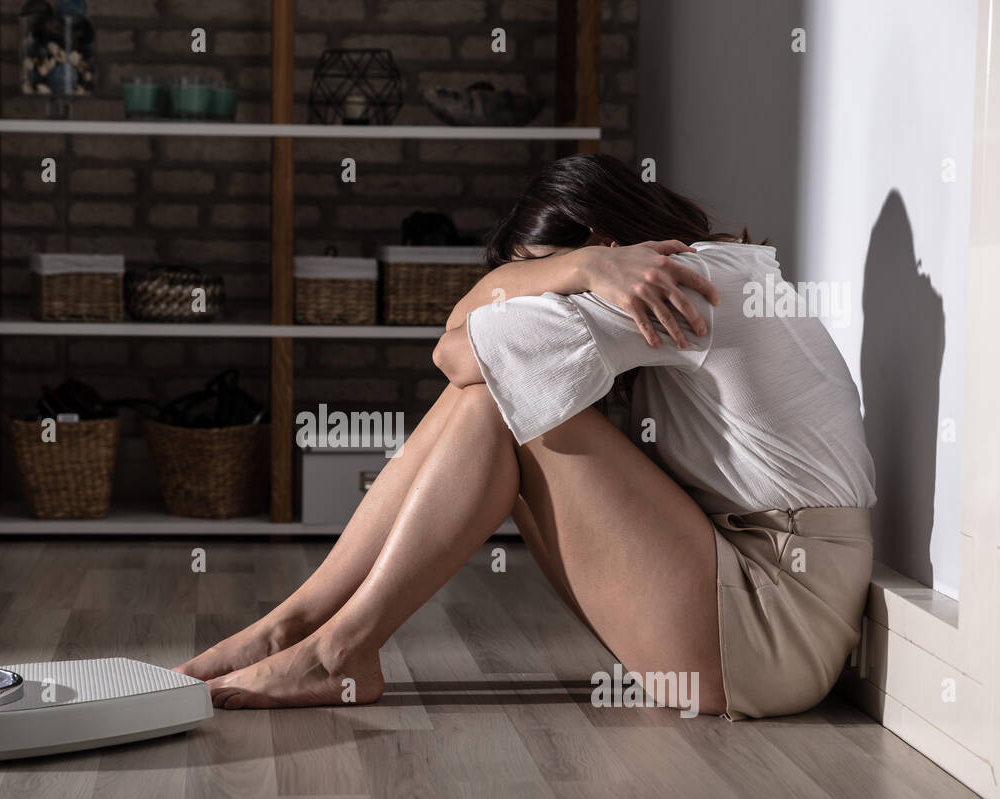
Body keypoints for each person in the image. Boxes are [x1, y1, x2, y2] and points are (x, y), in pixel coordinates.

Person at [177, 154, 875, 721]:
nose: (546, 295)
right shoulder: (703, 272)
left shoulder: (679, 285)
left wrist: (575, 274)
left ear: (607, 245)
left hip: (773, 621)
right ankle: (293, 627)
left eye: (547, 276)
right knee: (494, 390)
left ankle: (337, 649)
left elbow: (454, 349)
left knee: (496, 397)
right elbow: (467, 346)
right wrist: (571, 268)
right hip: (751, 593)